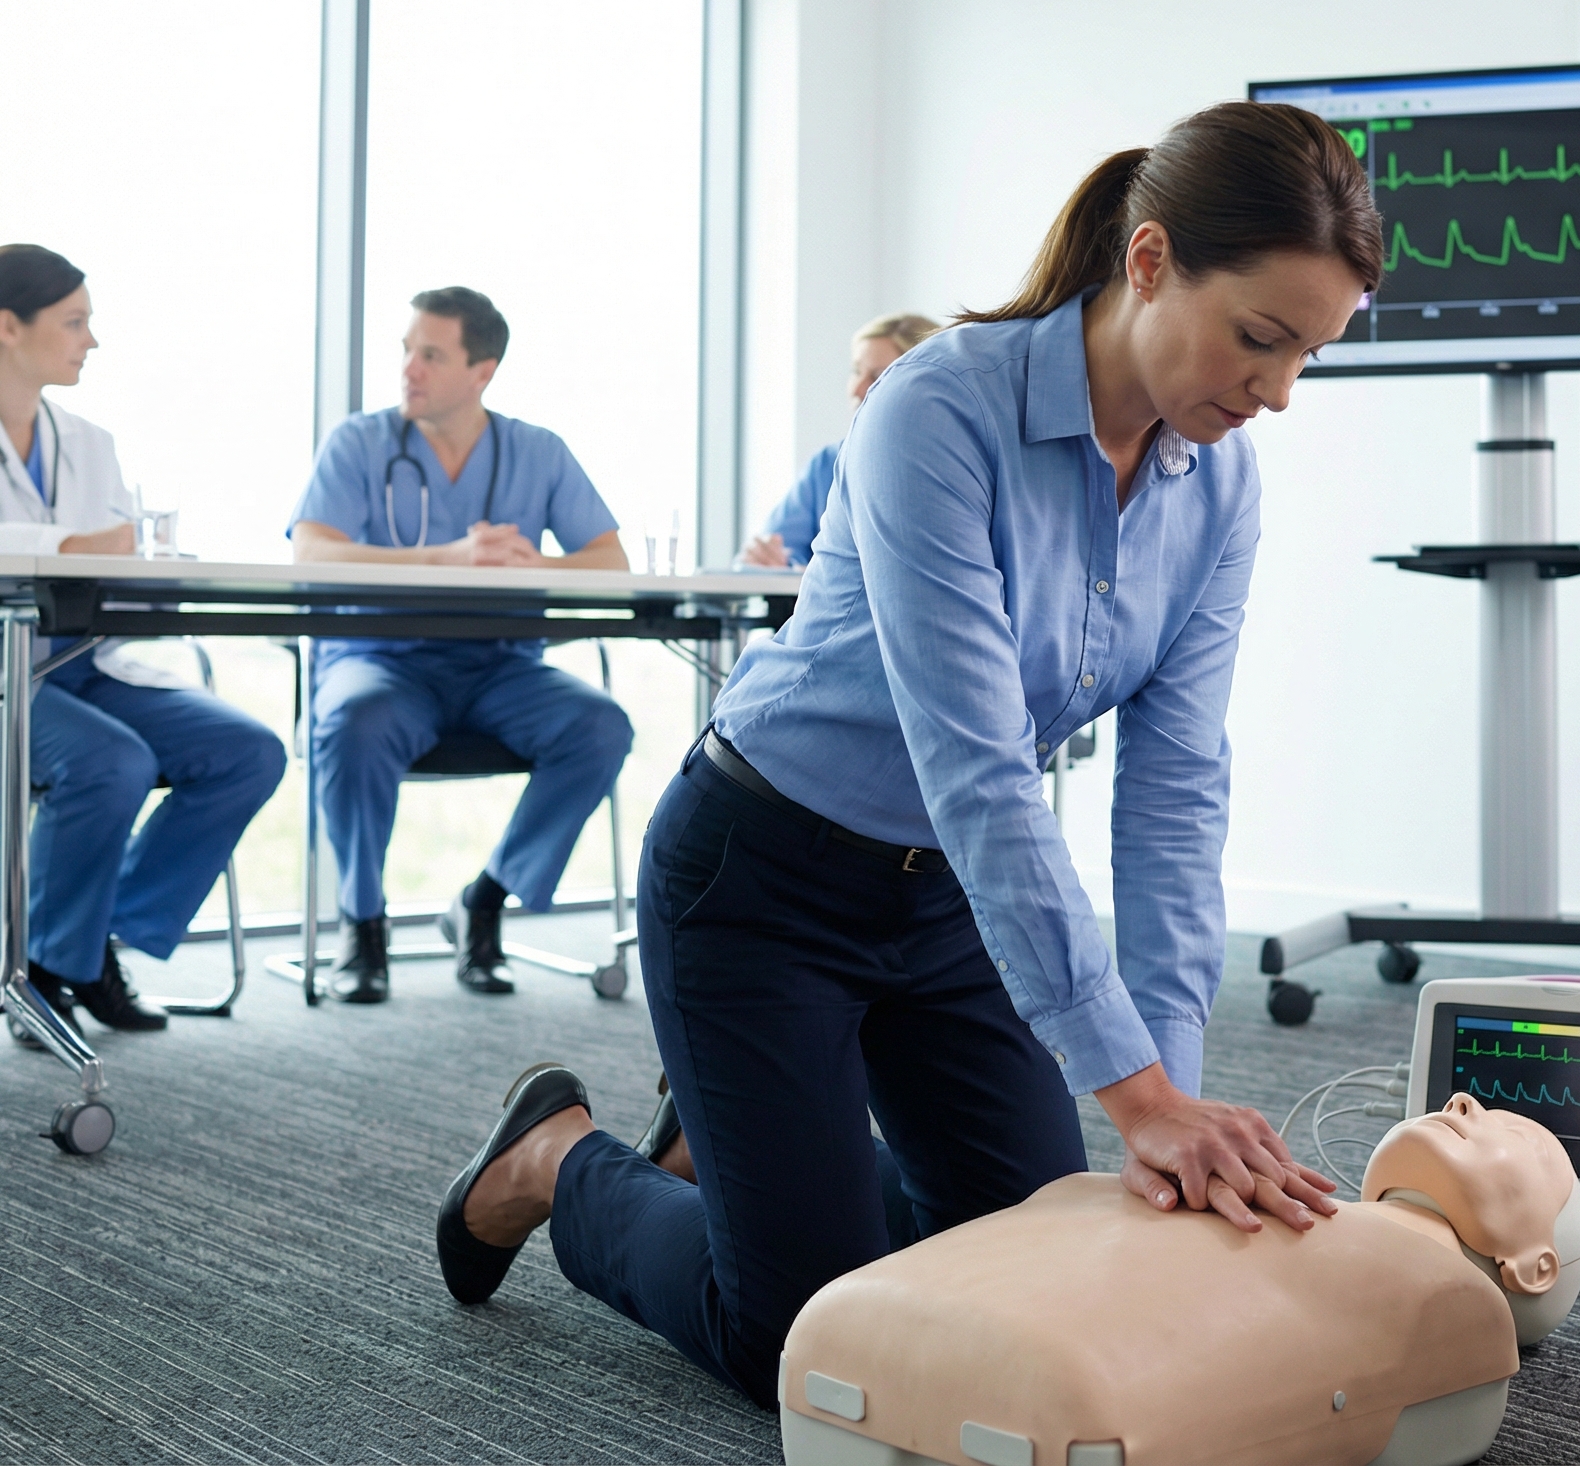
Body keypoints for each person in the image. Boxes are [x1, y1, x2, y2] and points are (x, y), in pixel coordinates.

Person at [431, 102, 1383, 1407]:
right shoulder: (941, 405)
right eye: (1261, 340)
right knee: (800, 1344)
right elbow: (981, 765)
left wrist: (1174, 1099)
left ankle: (749, 1147)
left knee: (1041, 1272)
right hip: (760, 885)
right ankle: (560, 1158)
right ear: (1150, 261)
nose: (1275, 393)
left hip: (950, 907)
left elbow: (1175, 789)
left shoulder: (1218, 484)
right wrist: (1135, 1095)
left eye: (1308, 359)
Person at [779, 1095, 1580, 1466]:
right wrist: (1159, 1107)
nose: (1464, 1100)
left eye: (1519, 1139)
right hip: (1024, 1343)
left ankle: (671, 1179)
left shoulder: (1452, 1302)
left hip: (905, 1349)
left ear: (1535, 1266)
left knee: (767, 1325)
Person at [289, 287, 633, 1005]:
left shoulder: (536, 451)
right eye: (408, 351)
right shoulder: (360, 442)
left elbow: (609, 563)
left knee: (600, 726)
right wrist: (447, 556)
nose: (409, 368)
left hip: (500, 667)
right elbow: (313, 552)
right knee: (355, 722)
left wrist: (533, 567)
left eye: (431, 355)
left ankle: (484, 900)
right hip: (378, 662)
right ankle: (362, 924)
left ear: (483, 371)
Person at [0, 245, 286, 1039]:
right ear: (8, 327)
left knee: (247, 751)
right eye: (75, 322)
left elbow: (120, 553)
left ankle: (83, 944)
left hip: (85, 661)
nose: (91, 340)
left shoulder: (89, 440)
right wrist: (75, 547)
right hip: (9, 676)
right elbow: (81, 548)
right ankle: (55, 964)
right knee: (110, 760)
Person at [740, 311, 943, 570]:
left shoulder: (950, 467)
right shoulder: (827, 464)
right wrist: (766, 559)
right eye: (856, 371)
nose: (856, 388)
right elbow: (775, 553)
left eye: (878, 375)